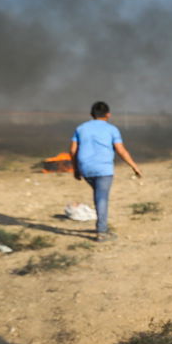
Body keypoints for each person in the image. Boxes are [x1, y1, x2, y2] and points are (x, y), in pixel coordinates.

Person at [70, 101, 142, 241]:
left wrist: (76, 169)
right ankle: (102, 232)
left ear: (92, 114)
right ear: (108, 115)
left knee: (98, 195)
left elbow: (73, 151)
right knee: (101, 197)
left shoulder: (81, 128)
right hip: (103, 168)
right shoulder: (112, 129)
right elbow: (121, 150)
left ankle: (102, 225)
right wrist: (134, 166)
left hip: (86, 168)